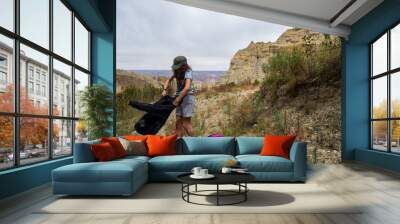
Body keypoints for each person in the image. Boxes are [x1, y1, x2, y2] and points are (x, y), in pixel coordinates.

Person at [162, 56, 195, 137]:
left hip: (187, 97)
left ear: (184, 65)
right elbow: (168, 80)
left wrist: (177, 100)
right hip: (178, 97)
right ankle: (179, 143)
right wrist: (165, 89)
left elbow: (187, 88)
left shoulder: (188, 72)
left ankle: (195, 143)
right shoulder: (177, 72)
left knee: (186, 123)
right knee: (178, 122)